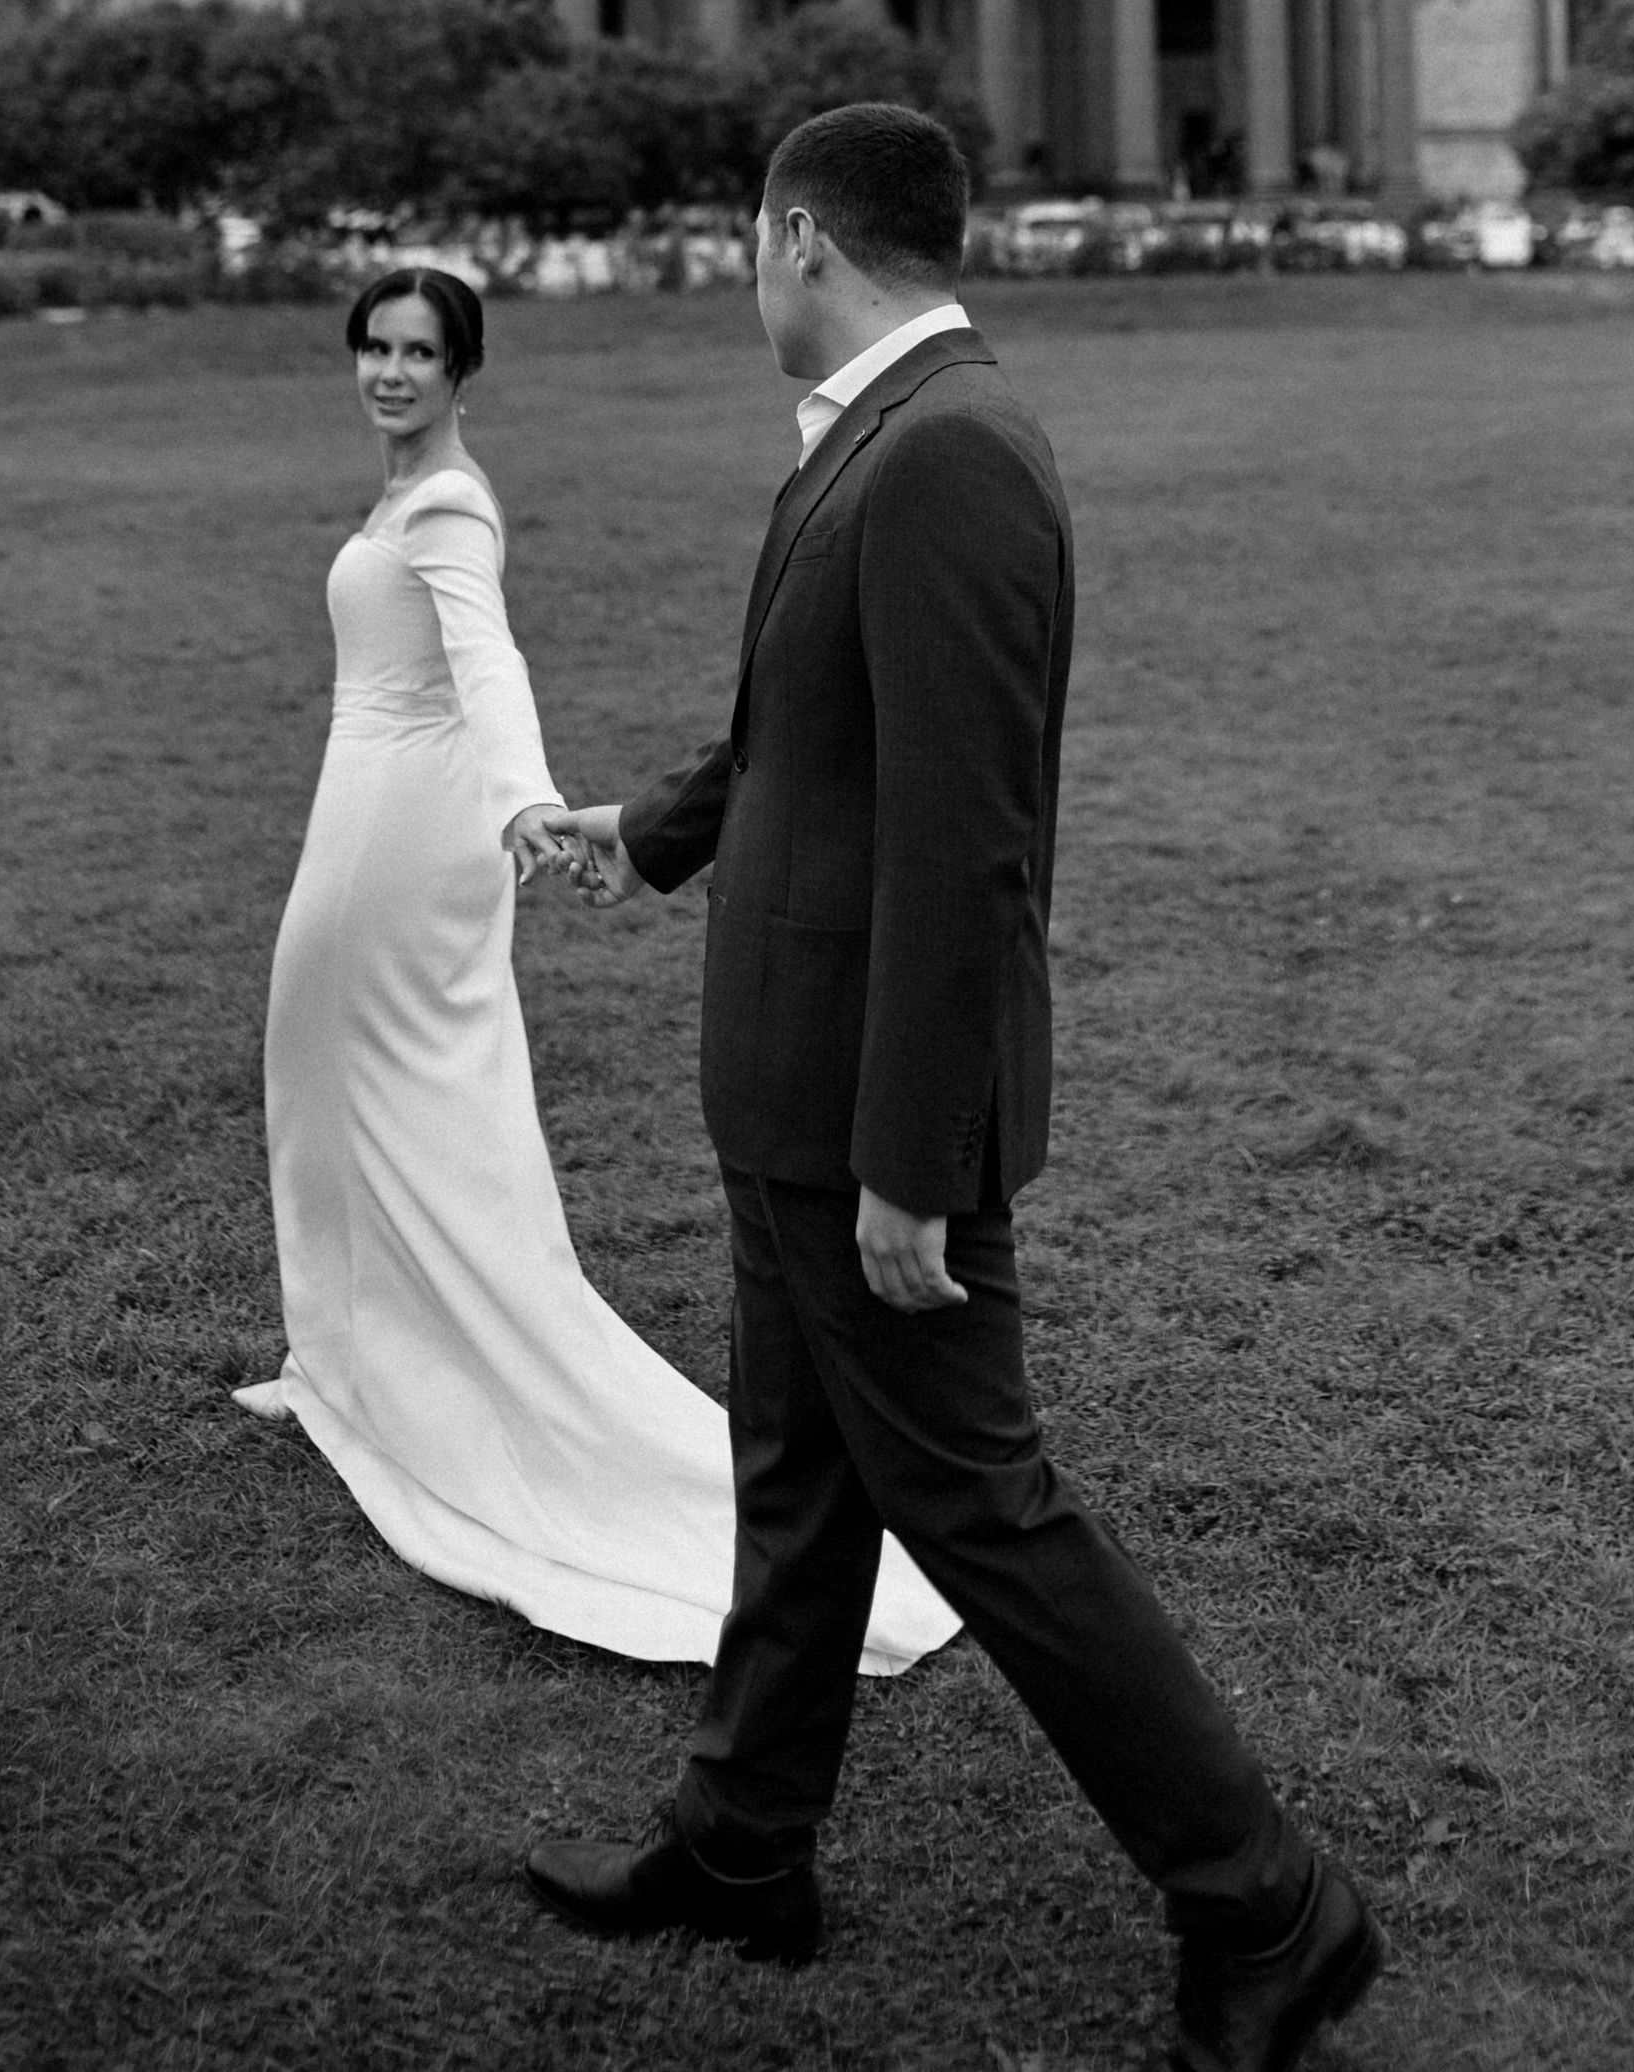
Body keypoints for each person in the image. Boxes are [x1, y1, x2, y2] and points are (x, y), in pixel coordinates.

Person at [528, 110, 1381, 2072]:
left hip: (862, 1124)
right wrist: (641, 835)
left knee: (983, 1513)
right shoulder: (876, 436)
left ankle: (1266, 1903)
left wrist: (908, 1163)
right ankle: (744, 1849)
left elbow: (960, 838)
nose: (740, 276)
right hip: (788, 1093)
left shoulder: (949, 455)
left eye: (745, 243)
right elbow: (803, 744)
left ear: (800, 234)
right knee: (798, 1486)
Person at [234, 261, 955, 1677]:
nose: (389, 371)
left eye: (418, 354)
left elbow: (489, 661)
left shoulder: (448, 504)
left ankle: (420, 1380)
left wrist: (524, 799)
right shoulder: (404, 490)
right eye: (372, 347)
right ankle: (336, 1367)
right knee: (319, 1100)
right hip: (367, 804)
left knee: (386, 1107)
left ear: (462, 373)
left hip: (409, 834)